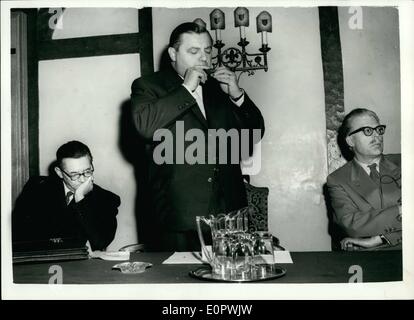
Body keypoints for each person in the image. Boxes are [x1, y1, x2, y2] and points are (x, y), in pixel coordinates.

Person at [130, 22, 264, 251]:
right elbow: (144, 126)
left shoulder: (218, 87)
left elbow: (253, 134)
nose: (203, 58)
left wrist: (237, 95)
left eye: (208, 50)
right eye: (193, 51)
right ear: (173, 53)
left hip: (229, 213)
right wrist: (186, 88)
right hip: (179, 216)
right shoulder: (148, 86)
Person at [12, 140, 120, 251]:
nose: (83, 179)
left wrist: (80, 199)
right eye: (74, 174)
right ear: (59, 172)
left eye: (87, 171)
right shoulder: (37, 189)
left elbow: (100, 242)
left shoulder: (106, 199)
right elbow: (19, 235)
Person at [327, 108, 401, 251]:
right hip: (370, 261)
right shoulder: (337, 180)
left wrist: (379, 239)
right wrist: (400, 211)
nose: (377, 136)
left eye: (378, 130)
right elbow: (351, 226)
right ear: (350, 140)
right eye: (367, 131)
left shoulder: (406, 162)